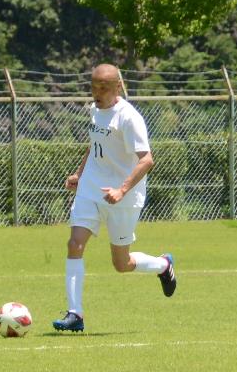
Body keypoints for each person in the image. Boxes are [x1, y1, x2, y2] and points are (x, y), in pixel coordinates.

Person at [55, 63, 175, 332]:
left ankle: (163, 265)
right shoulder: (95, 110)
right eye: (94, 86)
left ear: (117, 86)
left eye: (104, 87)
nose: (97, 92)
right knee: (75, 244)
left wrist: (121, 190)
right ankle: (75, 314)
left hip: (124, 195)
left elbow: (147, 160)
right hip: (91, 188)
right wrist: (79, 174)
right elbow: (96, 145)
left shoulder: (129, 117)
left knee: (121, 263)